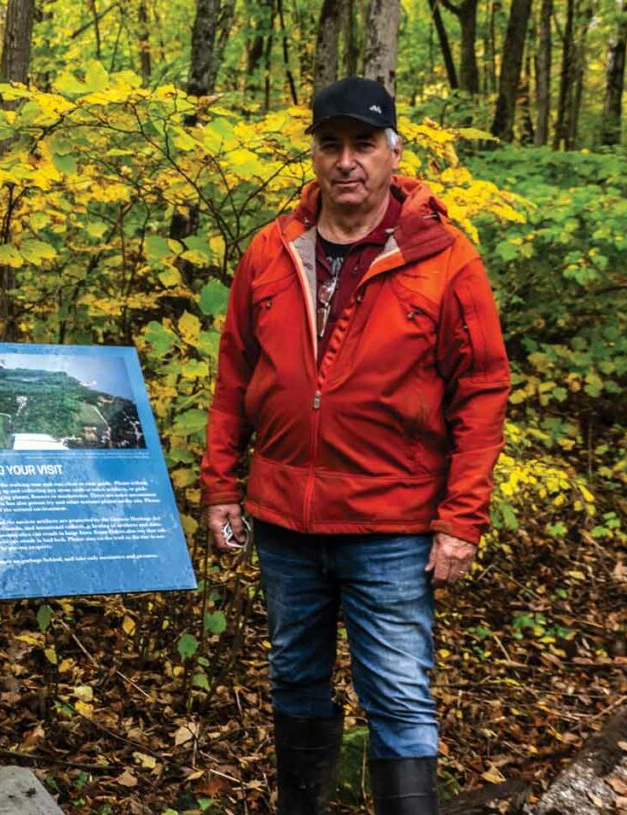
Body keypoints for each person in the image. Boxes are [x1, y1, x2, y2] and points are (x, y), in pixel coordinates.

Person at [199, 77, 510, 815]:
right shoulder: (272, 250)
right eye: (331, 144)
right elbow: (235, 370)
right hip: (283, 521)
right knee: (294, 679)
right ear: (313, 154)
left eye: (363, 145)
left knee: (399, 696)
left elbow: (483, 390)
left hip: (392, 526)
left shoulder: (446, 259)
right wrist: (219, 484)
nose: (347, 161)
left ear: (392, 154)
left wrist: (461, 519)